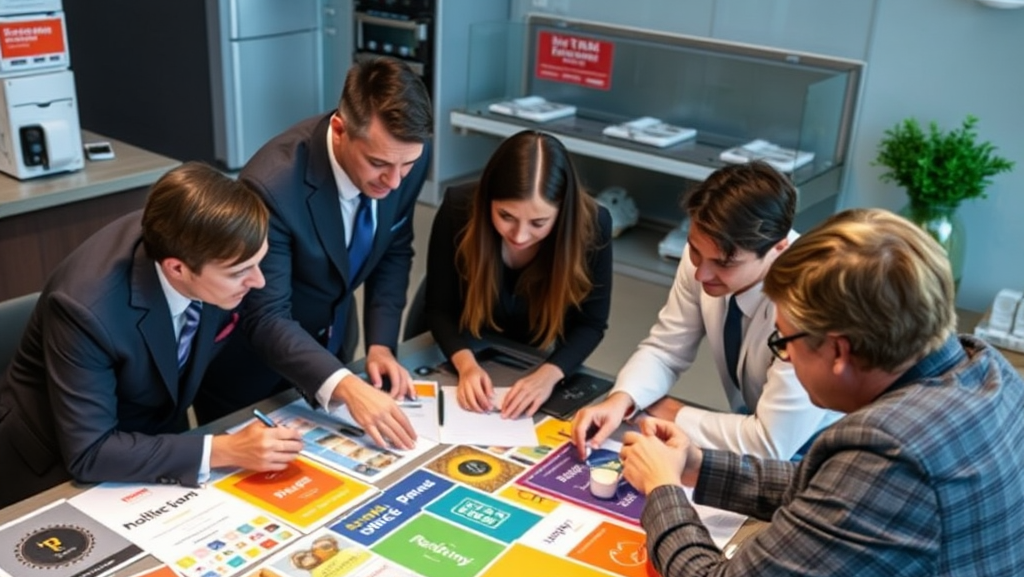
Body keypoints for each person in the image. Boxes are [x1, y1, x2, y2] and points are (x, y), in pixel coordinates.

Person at [570, 208, 1024, 577]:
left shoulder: (893, 458)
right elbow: (833, 492)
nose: (782, 356)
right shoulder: (983, 371)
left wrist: (664, 493)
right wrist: (695, 466)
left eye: (783, 344)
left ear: (838, 351)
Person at [0, 162, 304, 509]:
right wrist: (222, 450)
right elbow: (90, 452)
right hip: (53, 466)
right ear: (177, 268)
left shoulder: (203, 243)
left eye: (259, 262)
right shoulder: (85, 309)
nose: (259, 281)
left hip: (150, 434)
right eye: (240, 272)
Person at [195, 56, 432, 450]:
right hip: (251, 370)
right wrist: (346, 386)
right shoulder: (273, 187)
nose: (393, 181)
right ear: (340, 130)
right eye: (378, 164)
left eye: (406, 165)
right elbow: (267, 315)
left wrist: (381, 344)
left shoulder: (405, 156)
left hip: (332, 346)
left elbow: (394, 247)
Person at [572, 161, 838, 461]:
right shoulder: (705, 253)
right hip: (747, 434)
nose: (701, 274)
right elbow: (665, 349)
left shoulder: (810, 300)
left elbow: (770, 443)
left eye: (724, 263)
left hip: (818, 451)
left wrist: (674, 412)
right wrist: (623, 399)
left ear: (777, 248)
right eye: (695, 250)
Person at [426, 130, 612, 418]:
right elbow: (439, 310)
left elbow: (591, 324)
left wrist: (549, 375)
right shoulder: (457, 208)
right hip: (457, 343)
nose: (520, 236)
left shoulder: (593, 225)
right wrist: (466, 366)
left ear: (563, 211)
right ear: (487, 199)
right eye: (506, 216)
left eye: (538, 222)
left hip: (529, 355)